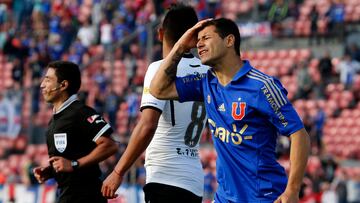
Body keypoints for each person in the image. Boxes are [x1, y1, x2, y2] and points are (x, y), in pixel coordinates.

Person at [150, 18, 311, 203]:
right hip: (224, 197)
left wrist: (292, 189)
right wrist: (180, 46)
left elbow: (299, 134)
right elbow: (158, 90)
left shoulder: (262, 86)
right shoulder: (205, 83)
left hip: (263, 196)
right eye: (197, 40)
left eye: (206, 38)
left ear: (229, 41)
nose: (199, 44)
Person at [101, 4, 209, 203]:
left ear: (160, 33)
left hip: (165, 177)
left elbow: (148, 124)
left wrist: (118, 171)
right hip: (194, 179)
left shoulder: (159, 69)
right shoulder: (207, 72)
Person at [33, 61, 117, 203]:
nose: (42, 85)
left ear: (63, 85)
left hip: (86, 196)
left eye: (48, 80)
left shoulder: (81, 113)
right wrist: (52, 171)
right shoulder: (55, 120)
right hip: (67, 194)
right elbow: (70, 157)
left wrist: (74, 164)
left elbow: (110, 145)